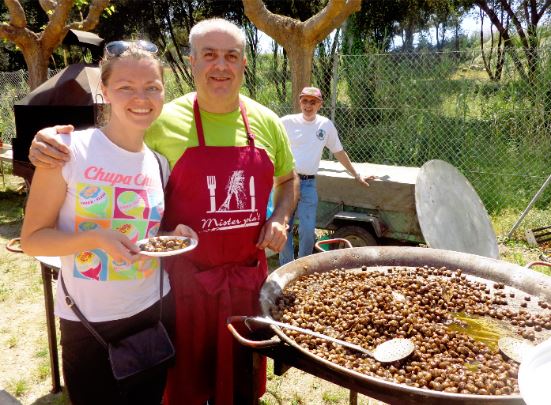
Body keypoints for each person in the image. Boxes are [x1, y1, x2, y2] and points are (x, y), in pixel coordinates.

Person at [28, 19, 298, 405]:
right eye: (209, 55)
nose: (220, 65)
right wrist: (47, 140)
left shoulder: (267, 122)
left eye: (231, 56)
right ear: (191, 62)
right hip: (181, 289)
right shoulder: (160, 120)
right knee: (181, 389)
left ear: (243, 64)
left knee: (239, 387)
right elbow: (115, 142)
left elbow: (289, 181)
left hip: (244, 284)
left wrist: (280, 217)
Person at [20, 40, 197, 405]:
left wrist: (170, 236)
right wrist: (97, 238)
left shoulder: (158, 164)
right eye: (126, 87)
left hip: (155, 310)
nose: (141, 98)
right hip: (89, 321)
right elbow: (33, 240)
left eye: (152, 87)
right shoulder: (69, 151)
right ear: (105, 91)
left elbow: (140, 232)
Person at [279, 86, 372, 265]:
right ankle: (286, 266)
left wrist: (356, 174)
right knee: (284, 227)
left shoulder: (325, 125)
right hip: (287, 182)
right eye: (305, 101)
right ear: (300, 102)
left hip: (308, 184)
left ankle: (303, 266)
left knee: (307, 229)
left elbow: (338, 152)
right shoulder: (286, 122)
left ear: (320, 104)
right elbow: (269, 141)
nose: (308, 105)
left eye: (313, 102)